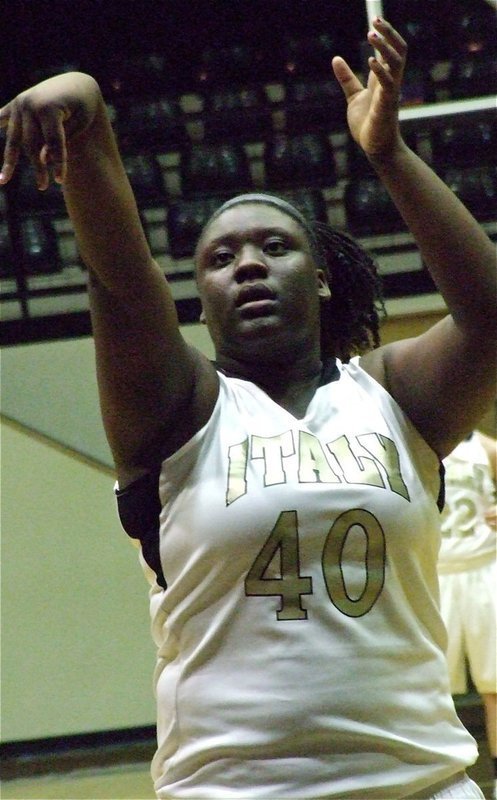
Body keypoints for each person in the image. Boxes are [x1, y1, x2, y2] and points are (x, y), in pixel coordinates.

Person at [1, 16, 496, 800]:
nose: (249, 266)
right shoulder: (180, 414)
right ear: (199, 297)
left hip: (421, 785)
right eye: (221, 258)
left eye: (275, 245)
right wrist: (87, 116)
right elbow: (122, 286)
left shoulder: (393, 399)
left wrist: (388, 156)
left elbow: (489, 314)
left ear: (323, 276)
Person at [438, 430, 497, 800]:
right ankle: (445, 781)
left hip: (485, 568)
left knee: (495, 688)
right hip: (437, 572)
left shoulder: (487, 448)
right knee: (433, 691)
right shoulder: (422, 439)